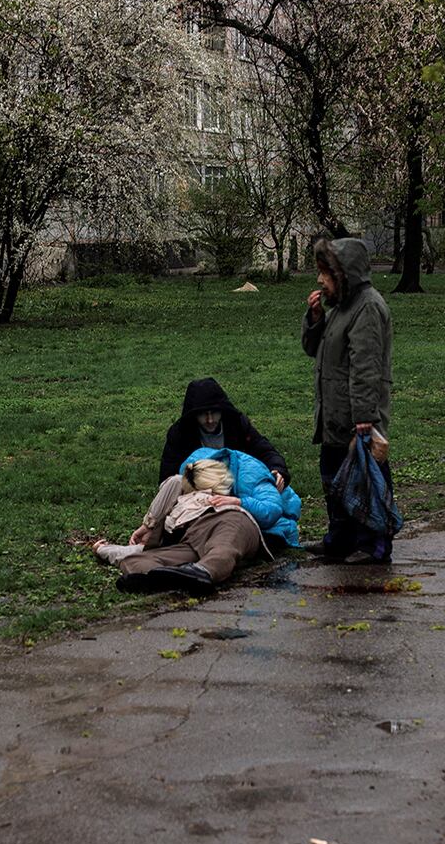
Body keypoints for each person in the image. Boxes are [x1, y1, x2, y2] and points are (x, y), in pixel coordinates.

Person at [302, 236, 395, 562]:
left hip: (357, 416)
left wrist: (365, 418)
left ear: (343, 275)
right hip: (335, 413)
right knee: (334, 477)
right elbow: (314, 349)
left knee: (367, 480)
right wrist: (315, 319)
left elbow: (366, 367)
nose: (320, 280)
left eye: (325, 273)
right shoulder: (341, 307)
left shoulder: (367, 307)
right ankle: (340, 540)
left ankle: (375, 545)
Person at [96, 451, 302, 594]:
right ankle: (164, 578)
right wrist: (104, 549)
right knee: (134, 561)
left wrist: (239, 501)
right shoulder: (185, 479)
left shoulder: (250, 479)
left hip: (233, 521)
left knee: (223, 546)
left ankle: (203, 572)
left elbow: (272, 510)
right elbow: (139, 549)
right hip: (193, 537)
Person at [159, 378, 289, 489]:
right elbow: (167, 477)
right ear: (194, 415)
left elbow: (264, 449)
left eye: (214, 413)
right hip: (197, 491)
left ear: (222, 410)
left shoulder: (237, 424)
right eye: (203, 414)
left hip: (238, 484)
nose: (210, 420)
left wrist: (277, 470)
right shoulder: (181, 433)